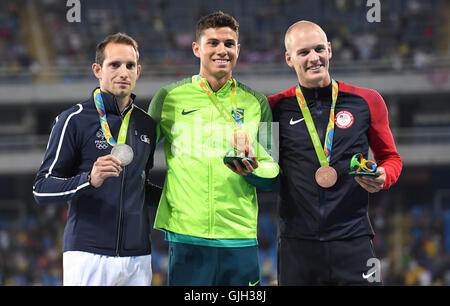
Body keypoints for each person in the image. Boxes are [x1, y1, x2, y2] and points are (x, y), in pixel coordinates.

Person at [148, 11, 279, 286]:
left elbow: (274, 168)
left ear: (238, 49)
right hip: (186, 236)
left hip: (239, 236)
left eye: (229, 44)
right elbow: (140, 156)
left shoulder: (259, 103)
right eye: (213, 43)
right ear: (197, 48)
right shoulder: (167, 98)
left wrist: (254, 169)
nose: (222, 50)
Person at [268, 21, 402, 285]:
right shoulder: (273, 108)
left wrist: (383, 175)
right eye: (304, 52)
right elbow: (263, 168)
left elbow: (391, 158)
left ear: (329, 49)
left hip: (353, 240)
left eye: (319, 49)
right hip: (297, 244)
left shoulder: (367, 101)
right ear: (289, 58)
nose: (314, 58)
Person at [33, 33, 161, 286]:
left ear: (138, 71)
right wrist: (89, 180)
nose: (123, 72)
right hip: (87, 255)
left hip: (138, 257)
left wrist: (179, 195)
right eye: (114, 65)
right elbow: (41, 189)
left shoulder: (146, 124)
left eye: (130, 65)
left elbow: (139, 186)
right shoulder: (75, 119)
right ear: (97, 70)